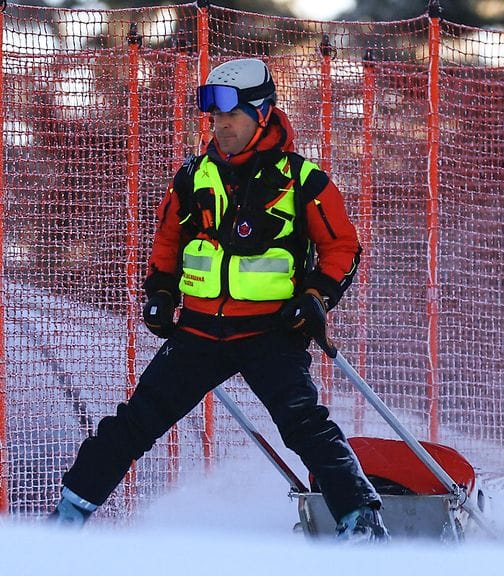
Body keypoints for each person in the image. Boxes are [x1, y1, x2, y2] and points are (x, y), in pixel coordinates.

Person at [50, 58, 388, 542]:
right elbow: (167, 242)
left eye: (232, 114)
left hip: (271, 333)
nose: (220, 125)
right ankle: (65, 520)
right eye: (215, 116)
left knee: (304, 426)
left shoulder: (302, 179)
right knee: (135, 422)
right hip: (198, 332)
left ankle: (362, 524)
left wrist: (317, 295)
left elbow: (342, 246)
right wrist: (161, 292)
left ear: (262, 114)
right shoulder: (192, 176)